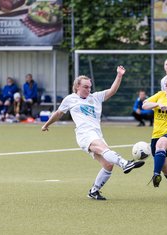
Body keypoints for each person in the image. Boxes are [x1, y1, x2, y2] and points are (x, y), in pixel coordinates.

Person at [41, 66, 145, 200]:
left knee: (108, 164)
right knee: (104, 149)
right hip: (84, 134)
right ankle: (125, 163)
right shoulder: (70, 99)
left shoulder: (95, 97)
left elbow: (112, 91)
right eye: (85, 87)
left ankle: (94, 191)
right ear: (77, 86)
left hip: (97, 134)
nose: (88, 90)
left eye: (90, 87)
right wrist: (46, 124)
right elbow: (58, 113)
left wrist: (119, 75)